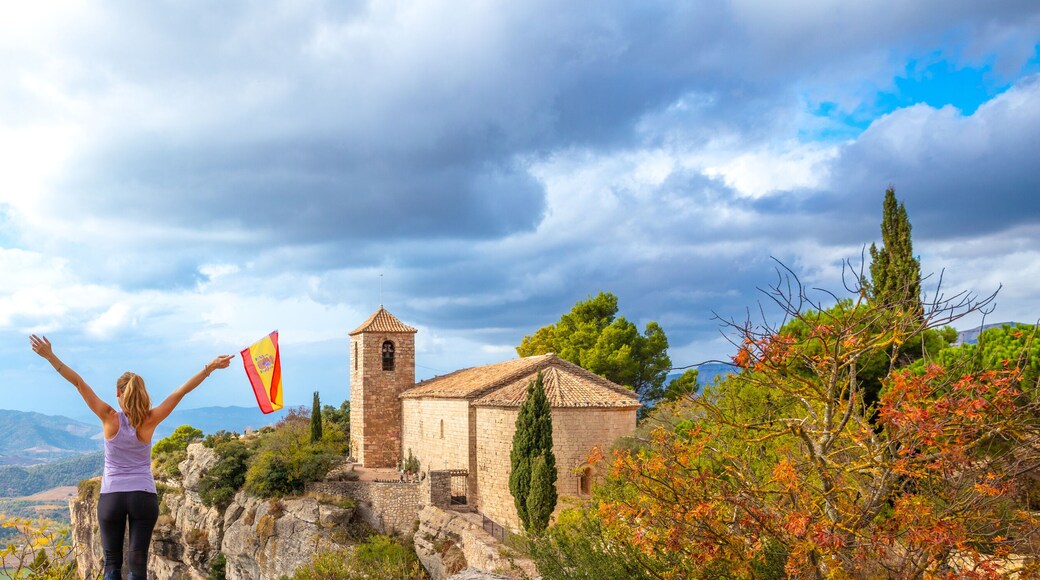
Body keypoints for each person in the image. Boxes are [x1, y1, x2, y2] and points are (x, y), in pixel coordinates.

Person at [30, 334, 233, 580]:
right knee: (138, 565)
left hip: (112, 496)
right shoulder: (149, 419)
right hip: (143, 496)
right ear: (141, 393)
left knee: (112, 563)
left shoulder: (108, 416)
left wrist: (50, 356)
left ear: (118, 392)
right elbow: (181, 392)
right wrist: (210, 367)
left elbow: (79, 383)